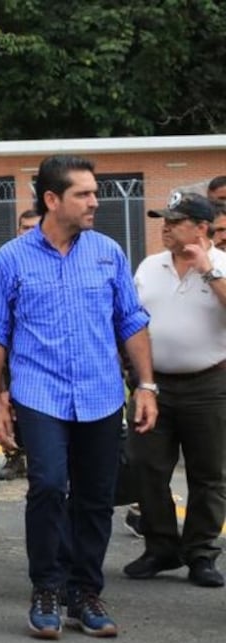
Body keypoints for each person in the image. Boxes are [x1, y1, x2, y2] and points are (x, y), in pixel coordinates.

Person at [0, 155, 156, 640]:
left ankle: (84, 593)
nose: (95, 202)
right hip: (40, 394)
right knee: (49, 485)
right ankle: (47, 588)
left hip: (101, 393)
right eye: (84, 194)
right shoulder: (11, 259)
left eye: (95, 192)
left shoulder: (108, 253)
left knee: (96, 497)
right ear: (52, 199)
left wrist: (146, 385)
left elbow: (131, 321)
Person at [123, 193, 226, 588]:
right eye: (163, 220)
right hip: (154, 385)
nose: (165, 227)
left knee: (208, 474)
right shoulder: (150, 266)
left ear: (201, 228)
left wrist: (208, 272)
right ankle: (161, 547)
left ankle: (201, 553)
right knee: (146, 467)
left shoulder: (220, 265)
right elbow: (131, 319)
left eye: (175, 221)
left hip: (209, 384)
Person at [0, 213, 42, 482]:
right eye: (25, 228)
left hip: (39, 352)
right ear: (17, 231)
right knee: (10, 403)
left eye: (35, 228)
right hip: (12, 349)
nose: (29, 233)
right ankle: (14, 455)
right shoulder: (8, 260)